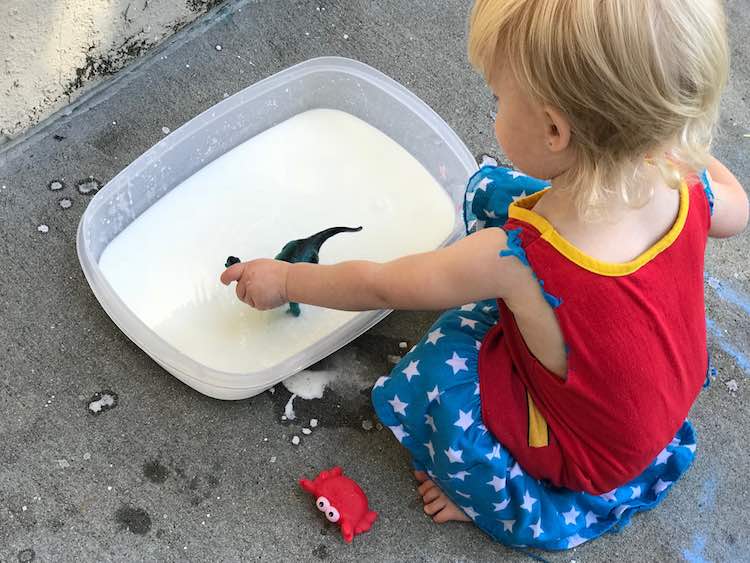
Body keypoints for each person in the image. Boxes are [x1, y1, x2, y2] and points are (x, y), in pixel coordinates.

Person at [220, 0, 747, 550]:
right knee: (507, 196)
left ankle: (495, 497)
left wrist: (286, 280)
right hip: (658, 399)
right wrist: (674, 137)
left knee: (437, 369)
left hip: (588, 452)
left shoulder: (515, 257)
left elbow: (383, 284)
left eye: (498, 98)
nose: (492, 107)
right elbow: (740, 209)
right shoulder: (689, 186)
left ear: (553, 129)